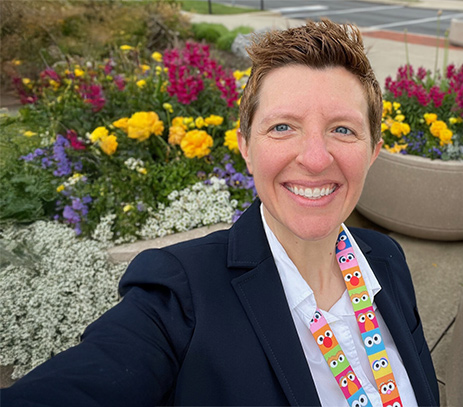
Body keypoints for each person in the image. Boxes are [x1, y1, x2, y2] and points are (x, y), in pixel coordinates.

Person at [3, 19, 439, 407]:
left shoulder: (386, 260)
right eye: (283, 126)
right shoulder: (181, 293)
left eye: (342, 129)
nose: (315, 157)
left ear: (373, 152)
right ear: (246, 147)